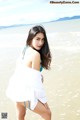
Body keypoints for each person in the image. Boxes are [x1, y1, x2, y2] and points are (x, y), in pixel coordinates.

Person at [6, 25, 52, 120]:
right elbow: (36, 84)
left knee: (21, 115)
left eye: (43, 40)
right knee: (47, 113)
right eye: (37, 39)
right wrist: (44, 102)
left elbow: (20, 68)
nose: (40, 43)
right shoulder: (36, 55)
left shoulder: (25, 49)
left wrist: (39, 76)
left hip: (15, 89)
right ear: (31, 38)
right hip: (24, 93)